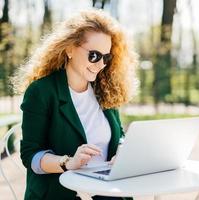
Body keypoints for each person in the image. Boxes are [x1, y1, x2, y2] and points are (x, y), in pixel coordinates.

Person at [12, 9, 138, 200]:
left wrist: (122, 150)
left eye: (106, 57)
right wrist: (67, 162)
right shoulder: (41, 91)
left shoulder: (106, 89)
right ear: (69, 48)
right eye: (94, 55)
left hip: (107, 191)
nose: (101, 64)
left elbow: (119, 134)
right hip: (59, 193)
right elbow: (31, 156)